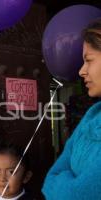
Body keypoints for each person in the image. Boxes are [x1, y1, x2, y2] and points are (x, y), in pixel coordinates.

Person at [42, 18, 101, 199]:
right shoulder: (92, 115)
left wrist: (67, 181)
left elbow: (78, 194)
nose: (81, 71)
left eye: (88, 60)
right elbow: (50, 179)